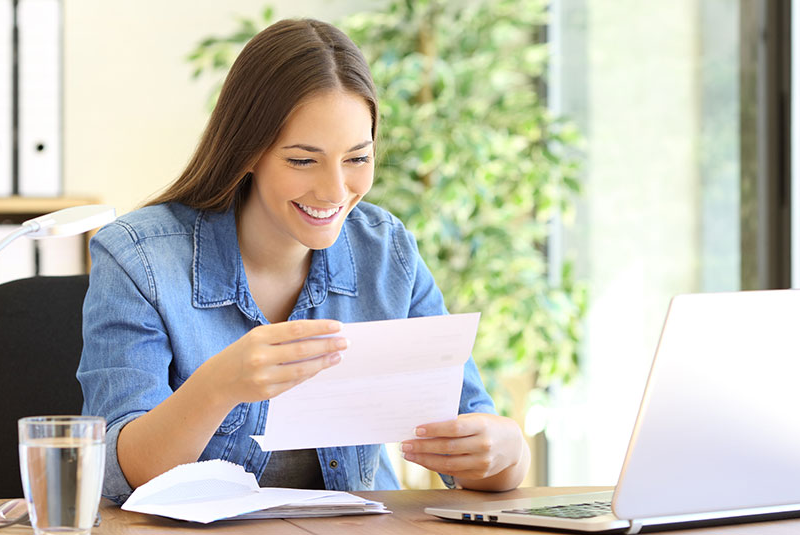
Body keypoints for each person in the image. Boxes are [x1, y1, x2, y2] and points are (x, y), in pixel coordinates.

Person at [78, 18, 529, 504]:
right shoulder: (138, 257)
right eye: (302, 160)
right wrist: (219, 385)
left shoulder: (387, 252)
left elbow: (482, 457)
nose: (335, 192)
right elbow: (118, 473)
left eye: (358, 159)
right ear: (247, 151)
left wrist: (508, 452)